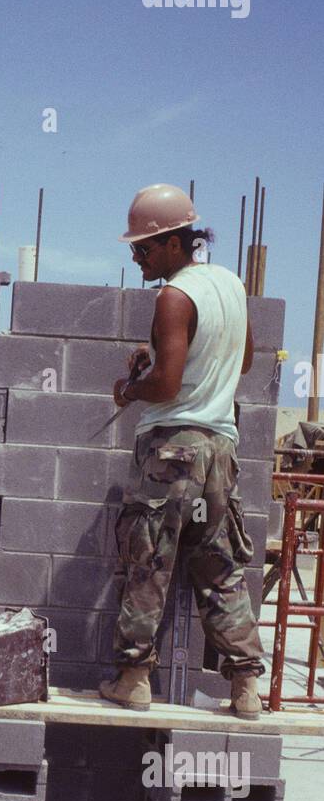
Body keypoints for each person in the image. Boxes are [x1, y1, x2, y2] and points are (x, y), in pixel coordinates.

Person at [101, 183, 266, 720]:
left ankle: (133, 679)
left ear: (175, 243)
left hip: (173, 448)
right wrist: (173, 349)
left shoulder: (173, 296)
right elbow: (240, 363)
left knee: (149, 562)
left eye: (143, 249)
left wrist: (129, 390)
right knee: (219, 567)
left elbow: (168, 386)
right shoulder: (230, 285)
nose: (137, 258)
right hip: (220, 447)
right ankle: (245, 689)